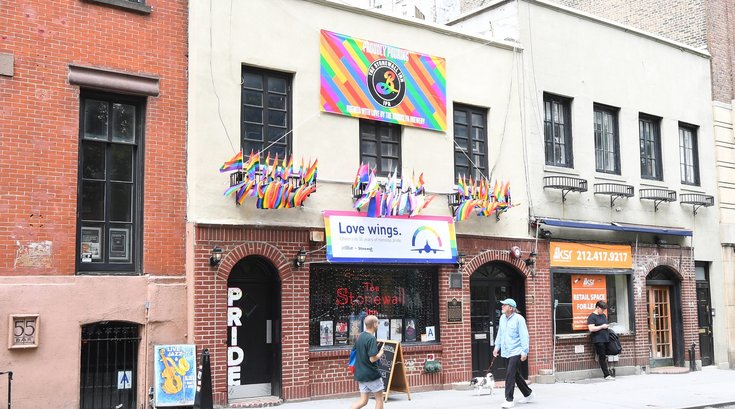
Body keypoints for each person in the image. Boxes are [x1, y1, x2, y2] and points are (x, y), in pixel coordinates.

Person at [493, 298, 534, 408]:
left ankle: (509, 399)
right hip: (506, 351)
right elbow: (500, 334)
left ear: (511, 308)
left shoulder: (519, 319)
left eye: (504, 305)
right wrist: (497, 347)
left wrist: (524, 352)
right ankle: (528, 393)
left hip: (516, 351)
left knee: (510, 374)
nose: (502, 306)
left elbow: (524, 336)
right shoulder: (502, 318)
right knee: (515, 374)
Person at [350, 315, 386, 409]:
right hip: (371, 374)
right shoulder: (371, 338)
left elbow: (357, 351)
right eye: (377, 323)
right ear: (374, 324)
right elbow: (372, 358)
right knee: (379, 399)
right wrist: (381, 352)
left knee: (363, 401)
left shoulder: (360, 336)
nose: (378, 325)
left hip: (360, 373)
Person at [588, 300, 614, 380]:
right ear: (597, 307)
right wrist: (602, 327)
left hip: (606, 338)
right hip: (598, 340)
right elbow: (591, 329)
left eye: (604, 310)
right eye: (602, 309)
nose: (603, 311)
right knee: (602, 357)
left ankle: (609, 372)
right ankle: (606, 375)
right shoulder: (592, 317)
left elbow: (604, 325)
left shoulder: (603, 315)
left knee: (606, 355)